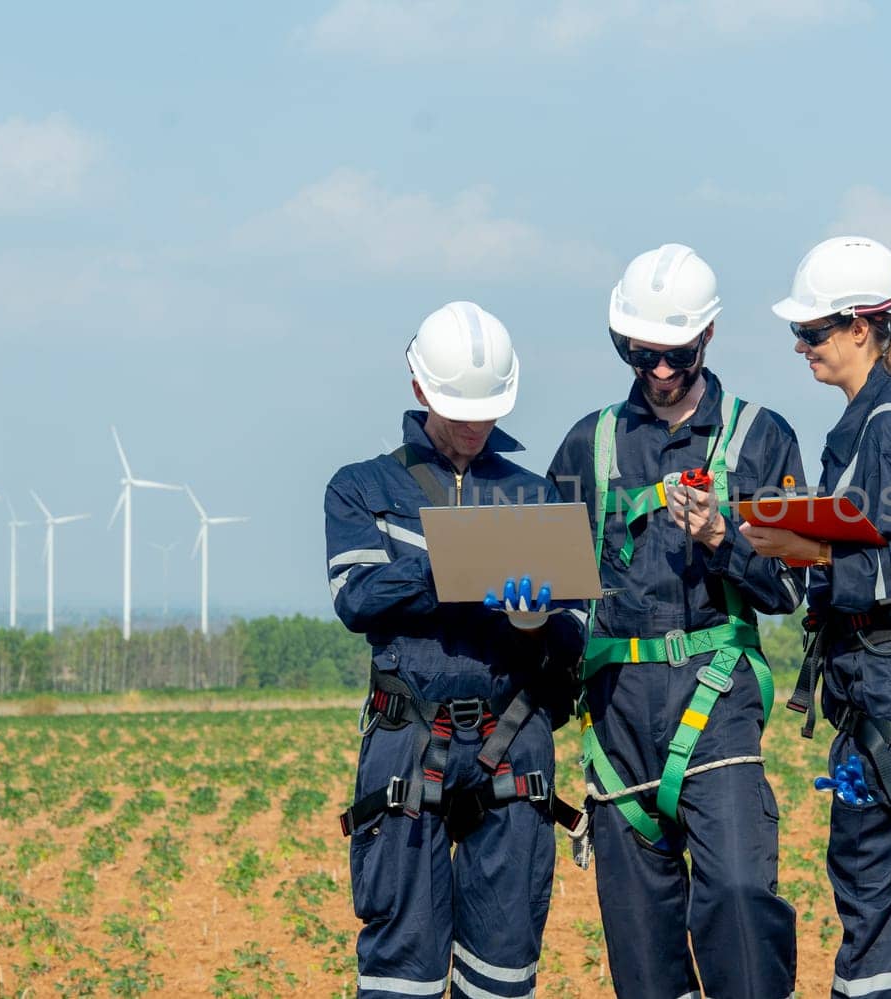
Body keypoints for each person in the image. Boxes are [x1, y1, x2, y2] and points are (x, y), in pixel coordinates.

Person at [548, 244, 804, 998]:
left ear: (709, 337)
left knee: (738, 901)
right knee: (642, 955)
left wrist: (725, 541)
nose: (659, 371)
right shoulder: (586, 444)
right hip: (617, 715)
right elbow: (560, 590)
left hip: (716, 703)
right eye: (640, 354)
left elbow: (789, 587)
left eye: (677, 355)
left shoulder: (761, 439)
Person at [743, 237, 891, 997]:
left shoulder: (888, 422)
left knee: (871, 878)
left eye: (813, 332)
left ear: (861, 328)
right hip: (886, 681)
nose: (801, 346)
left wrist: (812, 553)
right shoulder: (876, 416)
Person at [326, 301, 586, 999]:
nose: (476, 426)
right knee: (399, 973)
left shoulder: (534, 496)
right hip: (408, 739)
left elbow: (577, 632)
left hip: (514, 739)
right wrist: (450, 564)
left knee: (503, 974)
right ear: (419, 391)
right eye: (458, 409)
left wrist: (539, 625)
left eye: (489, 410)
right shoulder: (362, 489)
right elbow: (355, 596)